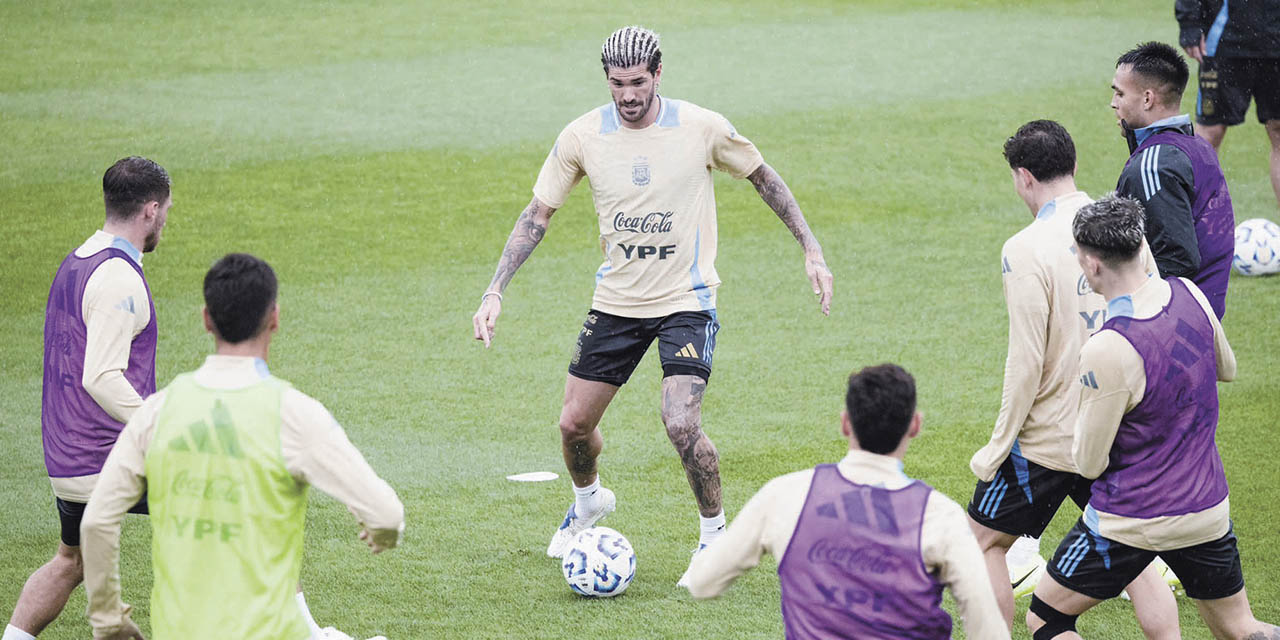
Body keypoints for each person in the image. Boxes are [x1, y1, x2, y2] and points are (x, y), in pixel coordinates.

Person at [470, 25, 834, 582]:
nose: (629, 95)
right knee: (572, 426)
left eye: (638, 82)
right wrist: (495, 289)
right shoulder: (582, 136)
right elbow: (536, 216)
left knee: (680, 421)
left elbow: (763, 177)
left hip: (686, 300)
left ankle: (715, 537)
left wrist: (810, 247)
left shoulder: (701, 127)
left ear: (658, 74)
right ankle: (589, 501)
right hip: (616, 303)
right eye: (618, 84)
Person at [80, 254, 405, 640]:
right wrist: (383, 534)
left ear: (205, 320)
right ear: (275, 318)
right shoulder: (295, 414)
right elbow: (386, 515)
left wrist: (109, 622)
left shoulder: (156, 412)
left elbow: (96, 522)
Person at [1027, 195, 1278, 639]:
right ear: (1142, 246)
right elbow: (1228, 369)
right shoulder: (1191, 294)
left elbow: (1088, 464)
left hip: (1132, 518)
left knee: (1046, 618)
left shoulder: (1107, 347)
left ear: (1090, 266)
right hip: (1206, 509)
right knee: (1241, 628)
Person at [967, 122, 1177, 635]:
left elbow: (1026, 362)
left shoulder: (1024, 247)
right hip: (1115, 428)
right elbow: (1151, 321)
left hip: (1049, 439)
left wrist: (996, 447)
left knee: (982, 544)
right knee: (1135, 554)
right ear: (1074, 165)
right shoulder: (1124, 230)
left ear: (1022, 177)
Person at [682, 364, 1008, 640]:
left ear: (845, 423)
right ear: (915, 426)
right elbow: (989, 631)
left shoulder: (785, 495)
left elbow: (702, 582)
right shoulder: (941, 516)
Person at [3, 157, 171, 640]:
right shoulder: (119, 279)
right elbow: (100, 376)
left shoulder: (78, 260)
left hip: (67, 460)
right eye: (165, 213)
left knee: (69, 562)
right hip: (109, 459)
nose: (165, 222)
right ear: (151, 210)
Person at [1111, 41, 1234, 319]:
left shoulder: (1155, 165)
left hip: (1173, 324)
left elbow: (1176, 261)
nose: (1113, 103)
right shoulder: (1196, 146)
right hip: (1203, 316)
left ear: (1147, 98)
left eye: (1120, 93)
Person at [1176, 0, 1280, 212]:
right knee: (1209, 133)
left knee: (1279, 132)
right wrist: (1189, 23)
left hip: (1276, 44)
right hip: (1224, 39)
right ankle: (1199, 224)